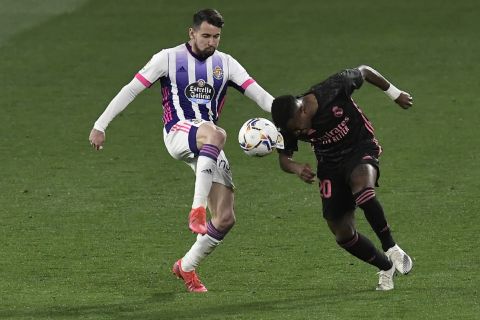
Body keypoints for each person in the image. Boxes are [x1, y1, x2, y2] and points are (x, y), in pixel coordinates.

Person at [88, 9, 273, 293]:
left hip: (207, 145)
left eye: (216, 37)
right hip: (178, 132)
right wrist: (101, 125)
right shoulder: (168, 58)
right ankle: (196, 210)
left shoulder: (226, 64)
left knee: (225, 218)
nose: (211, 42)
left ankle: (186, 267)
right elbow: (130, 89)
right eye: (206, 36)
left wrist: (292, 115)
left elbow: (261, 96)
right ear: (192, 32)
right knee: (217, 132)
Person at [271, 65, 413, 291]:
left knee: (364, 192)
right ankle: (386, 267)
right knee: (342, 232)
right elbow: (284, 159)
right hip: (330, 165)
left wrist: (394, 93)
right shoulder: (289, 124)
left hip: (359, 147)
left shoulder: (331, 90)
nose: (299, 134)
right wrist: (297, 168)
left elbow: (365, 71)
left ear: (303, 111)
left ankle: (391, 247)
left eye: (298, 129)